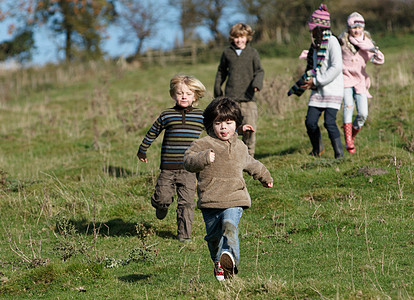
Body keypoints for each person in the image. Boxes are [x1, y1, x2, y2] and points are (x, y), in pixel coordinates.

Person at [183, 97, 273, 281]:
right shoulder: (203, 143)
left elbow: (251, 163)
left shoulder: (240, 146)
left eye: (229, 123)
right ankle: (219, 262)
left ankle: (231, 262)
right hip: (210, 201)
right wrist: (203, 157)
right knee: (214, 238)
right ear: (210, 124)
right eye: (219, 123)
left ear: (236, 124)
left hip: (234, 198)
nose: (224, 128)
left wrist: (265, 176)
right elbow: (187, 161)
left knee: (229, 227)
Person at [137, 74, 206, 243]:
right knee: (162, 197)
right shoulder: (167, 115)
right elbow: (153, 132)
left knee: (187, 203)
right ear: (173, 94)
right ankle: (160, 206)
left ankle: (184, 236)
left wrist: (238, 130)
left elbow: (219, 128)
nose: (184, 96)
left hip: (189, 168)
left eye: (188, 93)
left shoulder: (201, 116)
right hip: (168, 168)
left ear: (195, 96)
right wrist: (143, 150)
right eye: (180, 93)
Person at [288, 4, 344, 159]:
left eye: (312, 25)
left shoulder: (332, 41)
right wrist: (306, 82)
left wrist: (316, 81)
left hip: (332, 89)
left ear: (317, 26)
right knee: (310, 122)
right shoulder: (315, 46)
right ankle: (317, 149)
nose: (310, 29)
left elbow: (336, 67)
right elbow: (313, 67)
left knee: (329, 123)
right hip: (318, 91)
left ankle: (339, 154)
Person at [214, 23, 264, 157]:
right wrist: (217, 89)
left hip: (249, 100)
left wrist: (257, 84)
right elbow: (221, 71)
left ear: (248, 37)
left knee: (249, 130)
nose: (239, 40)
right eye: (236, 37)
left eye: (242, 37)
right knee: (229, 131)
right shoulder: (227, 53)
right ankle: (229, 158)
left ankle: (249, 160)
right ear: (232, 38)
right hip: (231, 100)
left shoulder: (252, 53)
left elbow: (259, 71)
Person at [339, 12, 385, 154]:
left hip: (360, 81)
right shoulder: (342, 42)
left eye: (359, 27)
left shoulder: (368, 44)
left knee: (363, 113)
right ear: (349, 28)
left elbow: (378, 61)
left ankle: (351, 134)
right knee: (348, 106)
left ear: (363, 28)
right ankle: (348, 142)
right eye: (353, 27)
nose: (356, 30)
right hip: (345, 79)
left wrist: (375, 52)